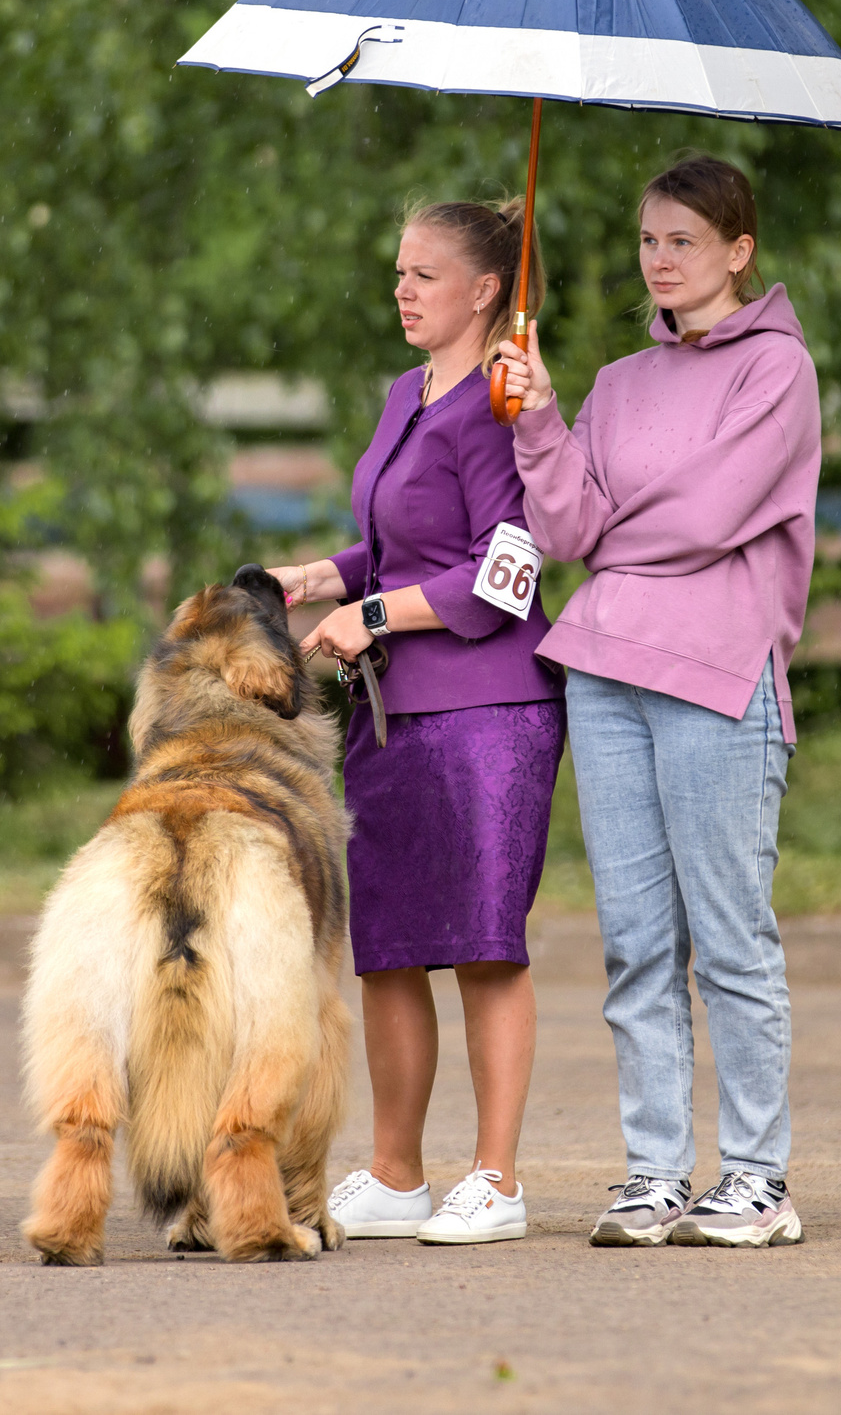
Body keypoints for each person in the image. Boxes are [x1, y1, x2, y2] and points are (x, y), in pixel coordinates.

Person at [494, 153, 820, 1249]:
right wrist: (537, 417)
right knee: (636, 942)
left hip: (719, 676)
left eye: (683, 240)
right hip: (605, 672)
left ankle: (759, 1180)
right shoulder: (621, 383)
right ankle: (654, 1173)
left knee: (729, 939)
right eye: (647, 240)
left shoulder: (776, 371)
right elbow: (568, 532)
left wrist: (616, 531)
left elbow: (711, 513)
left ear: (739, 251)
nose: (660, 259)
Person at [268, 199, 565, 1248]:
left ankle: (496, 1175)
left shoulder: (501, 402)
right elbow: (394, 544)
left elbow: (505, 573)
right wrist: (314, 579)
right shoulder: (408, 391)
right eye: (398, 271)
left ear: (486, 290)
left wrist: (373, 613)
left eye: (425, 275)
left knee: (483, 946)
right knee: (389, 949)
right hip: (391, 717)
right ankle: (395, 1172)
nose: (401, 289)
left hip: (489, 713)